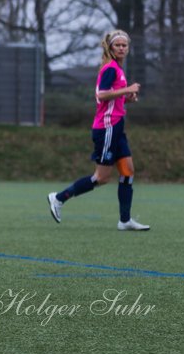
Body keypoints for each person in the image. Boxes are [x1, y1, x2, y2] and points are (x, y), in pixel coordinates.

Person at [47, 29, 150, 231]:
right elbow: (101, 95)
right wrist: (128, 89)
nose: (121, 48)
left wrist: (126, 97)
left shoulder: (118, 69)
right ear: (110, 47)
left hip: (117, 128)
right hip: (107, 128)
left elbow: (112, 96)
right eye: (118, 45)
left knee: (128, 171)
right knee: (101, 178)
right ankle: (59, 198)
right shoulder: (110, 68)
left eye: (124, 45)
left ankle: (125, 220)